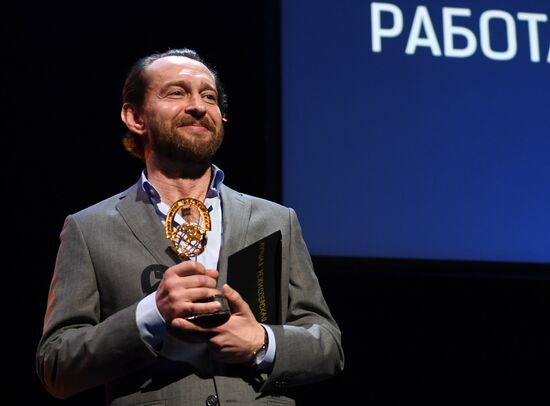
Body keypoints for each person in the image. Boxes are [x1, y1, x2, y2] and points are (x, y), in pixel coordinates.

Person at [36, 48, 344, 406]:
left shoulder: (276, 220)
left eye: (209, 96)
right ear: (134, 116)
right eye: (177, 92)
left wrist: (261, 342)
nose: (198, 105)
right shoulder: (89, 229)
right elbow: (56, 365)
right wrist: (151, 313)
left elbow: (328, 346)